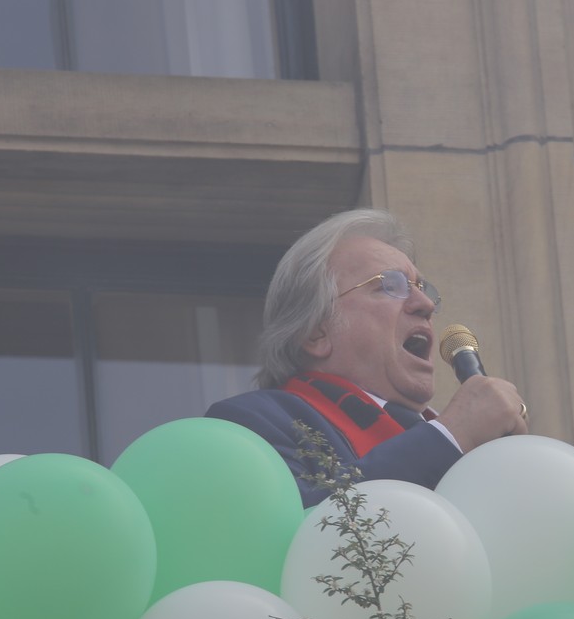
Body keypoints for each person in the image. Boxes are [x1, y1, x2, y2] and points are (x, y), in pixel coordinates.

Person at [206, 208, 528, 506]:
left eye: (422, 287)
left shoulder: (459, 440)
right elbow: (309, 531)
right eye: (391, 285)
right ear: (315, 333)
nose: (426, 305)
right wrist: (450, 437)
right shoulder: (249, 427)